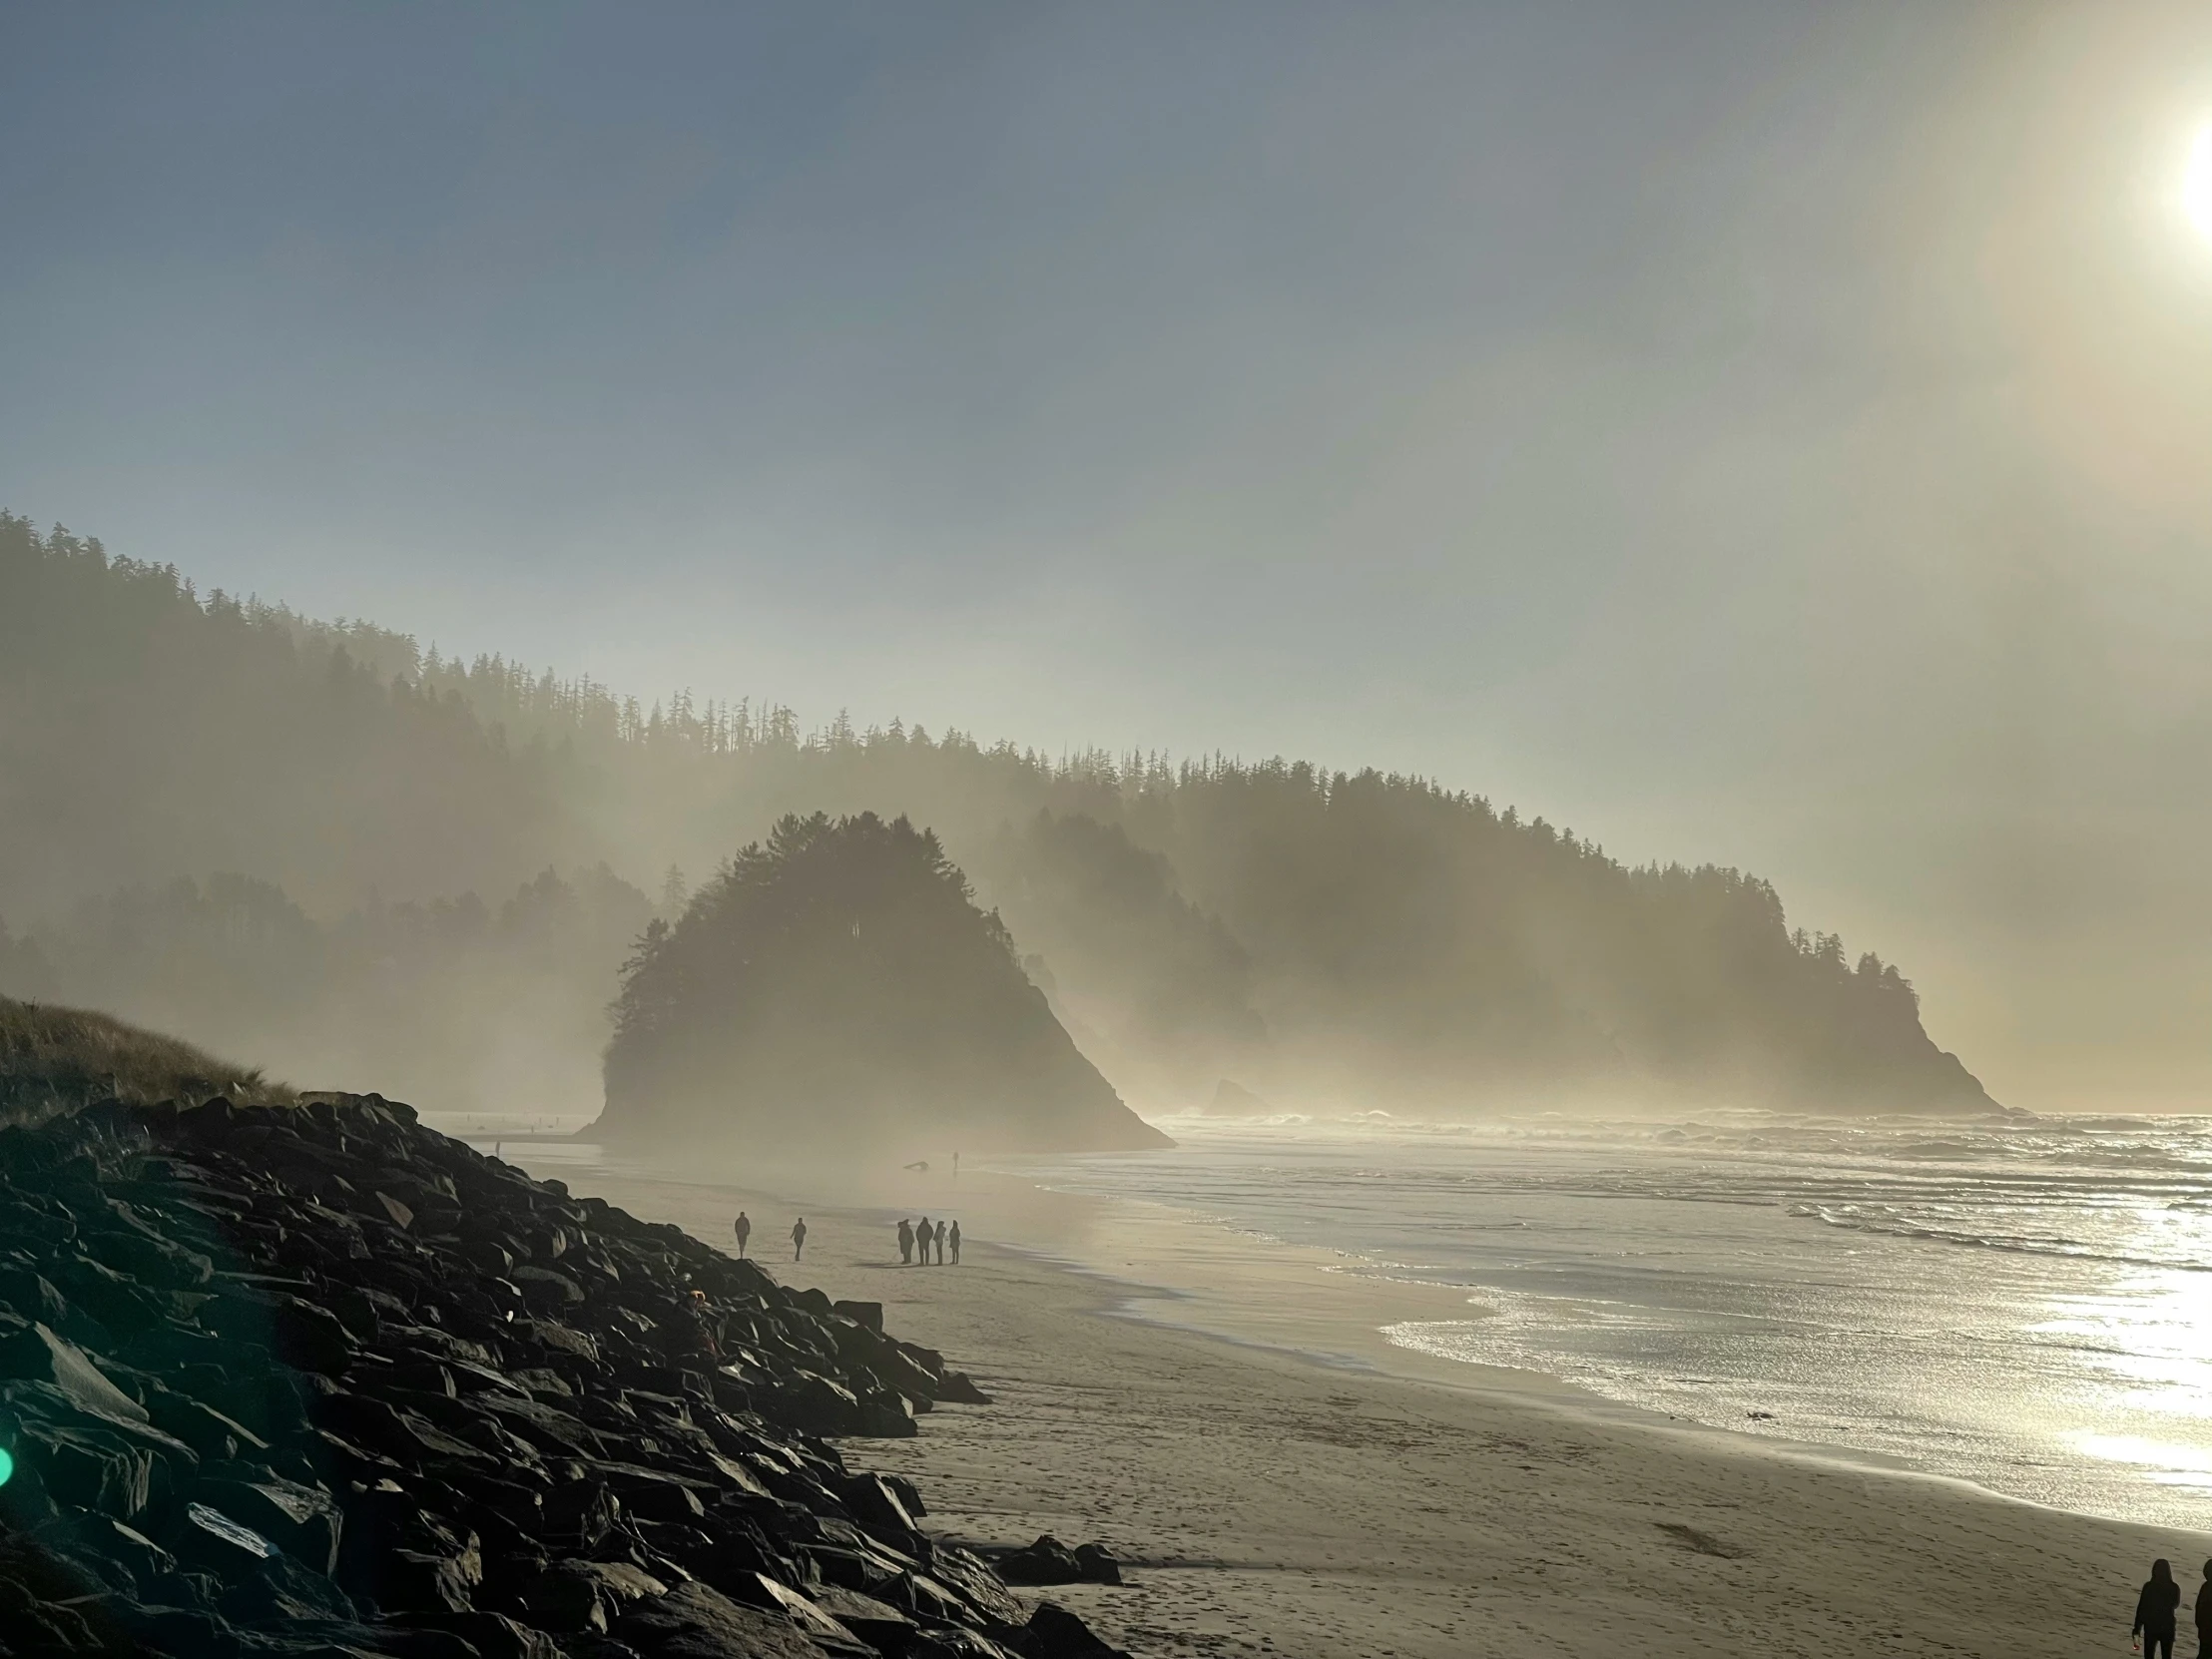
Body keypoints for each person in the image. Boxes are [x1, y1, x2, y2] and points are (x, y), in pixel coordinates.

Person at [2136, 1558, 2181, 1659]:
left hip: (2151, 1626)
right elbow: (2175, 1604)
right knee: (2166, 1655)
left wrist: (2137, 1627)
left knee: (2149, 1655)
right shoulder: (2174, 1587)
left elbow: (2142, 1608)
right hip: (2167, 1626)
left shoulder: (2149, 1587)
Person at [2195, 1559, 2212, 1659]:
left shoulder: (2205, 1587)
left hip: (2204, 1629)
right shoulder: (2205, 1587)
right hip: (2205, 1629)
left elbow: (2199, 1607)